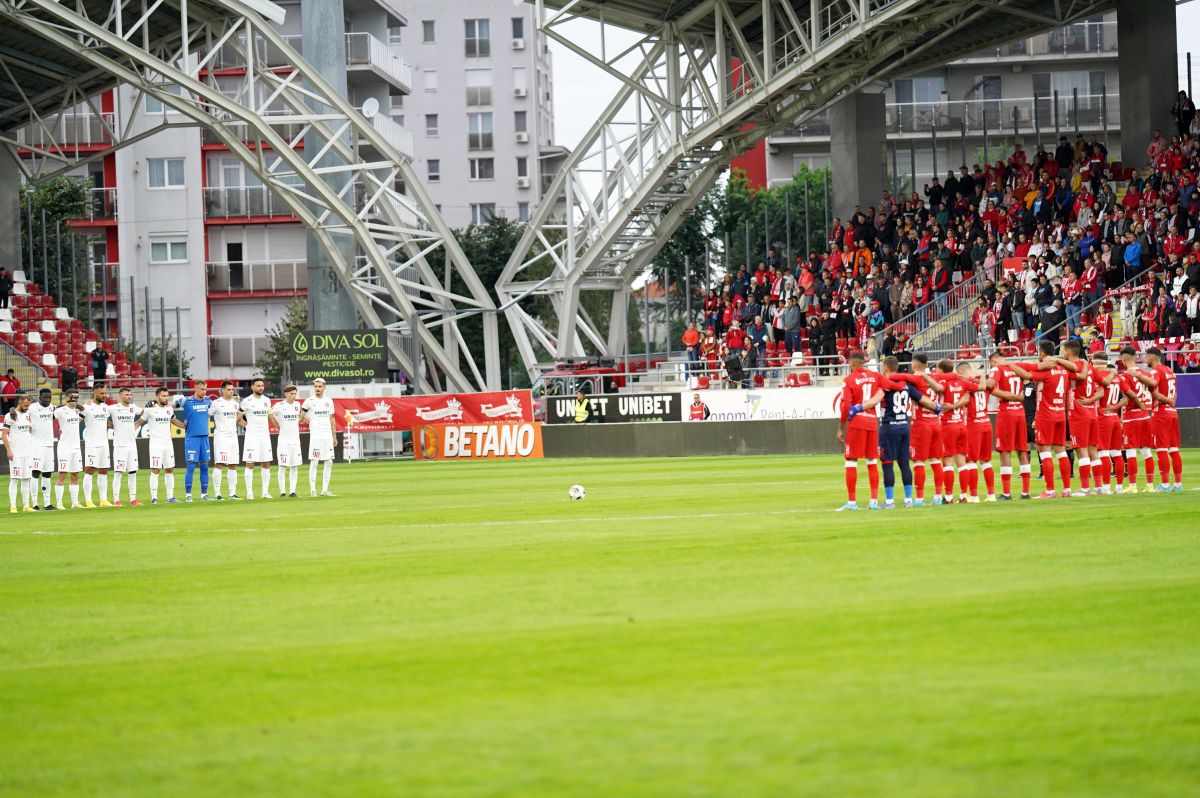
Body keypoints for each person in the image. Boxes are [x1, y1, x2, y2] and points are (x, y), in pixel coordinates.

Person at [1010, 341, 1079, 499]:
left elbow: (1027, 375)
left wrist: (1011, 365)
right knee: (1061, 451)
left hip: (1045, 415)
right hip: (1060, 413)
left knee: (1045, 451)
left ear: (1041, 353)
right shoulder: (1063, 369)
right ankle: (1067, 489)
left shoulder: (1046, 370)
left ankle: (1049, 490)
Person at [877, 355, 940, 509]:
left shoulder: (884, 383)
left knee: (887, 463)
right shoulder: (907, 385)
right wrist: (937, 408)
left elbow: (876, 398)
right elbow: (922, 399)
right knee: (904, 463)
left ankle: (890, 501)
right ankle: (908, 500)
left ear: (885, 368)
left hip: (889, 427)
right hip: (905, 426)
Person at [836, 351, 886, 512]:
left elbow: (845, 406)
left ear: (852, 364)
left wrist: (840, 428)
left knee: (851, 461)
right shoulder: (875, 376)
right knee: (871, 461)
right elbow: (886, 388)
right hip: (872, 422)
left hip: (857, 423)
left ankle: (852, 502)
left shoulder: (849, 379)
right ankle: (873, 502)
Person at [1131, 346, 1183, 491]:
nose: (1145, 360)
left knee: (1161, 449)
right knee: (1173, 449)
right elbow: (1175, 394)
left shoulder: (1156, 370)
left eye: (1146, 357)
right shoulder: (1169, 370)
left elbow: (1153, 385)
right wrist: (1171, 402)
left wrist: (1139, 375)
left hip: (1161, 413)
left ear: (1152, 358)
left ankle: (1165, 484)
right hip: (1172, 412)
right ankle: (1178, 484)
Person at [986, 352, 1032, 500]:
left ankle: (1006, 493)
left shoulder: (997, 369)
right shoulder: (1016, 367)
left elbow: (990, 385)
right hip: (1020, 412)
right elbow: (1028, 378)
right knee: (1022, 451)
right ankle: (1025, 492)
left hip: (1006, 413)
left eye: (992, 362)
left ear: (994, 360)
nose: (992, 366)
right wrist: (1017, 397)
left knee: (1005, 452)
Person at [1063, 339, 1104, 496]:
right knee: (1093, 450)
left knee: (1081, 451)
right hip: (1092, 413)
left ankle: (1085, 488)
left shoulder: (1074, 368)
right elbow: (1104, 384)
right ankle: (1099, 487)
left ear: (1067, 352)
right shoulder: (1091, 368)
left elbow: (1079, 376)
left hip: (1078, 413)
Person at [907, 353, 946, 506]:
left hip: (921, 424)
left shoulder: (915, 379)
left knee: (918, 461)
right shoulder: (936, 377)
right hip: (936, 423)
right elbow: (941, 388)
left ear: (914, 365)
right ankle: (937, 496)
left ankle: (919, 498)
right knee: (936, 460)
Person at [1117, 346, 1156, 493]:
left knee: (1131, 451)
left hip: (1131, 417)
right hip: (1145, 416)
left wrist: (1116, 406)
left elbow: (1129, 395)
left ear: (1124, 359)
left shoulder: (1124, 376)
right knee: (1146, 451)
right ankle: (1150, 485)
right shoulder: (1145, 374)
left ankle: (1132, 486)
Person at [135, 387, 181, 504]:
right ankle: (154, 498)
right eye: (163, 396)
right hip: (156, 444)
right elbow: (140, 422)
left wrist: (185, 426)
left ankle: (170, 497)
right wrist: (128, 430)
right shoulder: (150, 409)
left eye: (167, 396)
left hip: (168, 444)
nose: (166, 398)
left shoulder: (169, 409)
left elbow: (174, 420)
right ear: (157, 397)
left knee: (169, 469)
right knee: (155, 470)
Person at [1090, 352, 1126, 494]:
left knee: (1103, 453)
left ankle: (1105, 486)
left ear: (1095, 362)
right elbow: (1130, 396)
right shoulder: (1116, 377)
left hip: (1102, 418)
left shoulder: (1098, 377)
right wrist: (1116, 406)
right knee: (1117, 453)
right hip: (1114, 418)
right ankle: (1119, 486)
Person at [961, 362, 996, 502]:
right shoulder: (984, 382)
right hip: (986, 423)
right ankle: (991, 494)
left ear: (963, 372)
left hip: (973, 425)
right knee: (986, 461)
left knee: (971, 461)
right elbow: (989, 385)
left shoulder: (967, 385)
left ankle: (974, 496)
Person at [302, 377, 338, 497]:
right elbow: (300, 415)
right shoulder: (309, 401)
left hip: (327, 436)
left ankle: (324, 489)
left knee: (329, 461)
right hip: (316, 436)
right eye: (316, 386)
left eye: (319, 386)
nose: (317, 389)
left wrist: (334, 436)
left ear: (324, 388)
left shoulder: (329, 401)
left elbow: (332, 419)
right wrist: (308, 421)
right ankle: (313, 489)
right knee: (315, 462)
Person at [239, 378, 274, 499]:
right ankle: (249, 493)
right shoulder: (247, 401)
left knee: (266, 463)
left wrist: (279, 427)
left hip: (265, 436)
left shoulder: (267, 401)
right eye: (258, 386)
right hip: (252, 437)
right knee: (250, 464)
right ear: (253, 387)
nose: (260, 388)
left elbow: (270, 416)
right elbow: (238, 417)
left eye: (262, 386)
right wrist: (247, 426)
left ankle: (265, 492)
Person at [179, 380, 213, 502]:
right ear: (195, 388)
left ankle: (204, 495)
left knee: (205, 467)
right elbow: (168, 405)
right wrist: (154, 404)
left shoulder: (208, 401)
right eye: (201, 389)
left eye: (205, 389)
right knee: (191, 467)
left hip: (204, 438)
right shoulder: (186, 400)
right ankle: (188, 495)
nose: (203, 392)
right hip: (192, 438)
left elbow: (219, 408)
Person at [108, 387, 143, 506]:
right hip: (120, 446)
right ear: (121, 396)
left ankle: (133, 499)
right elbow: (101, 416)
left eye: (130, 394)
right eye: (127, 394)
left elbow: (144, 412)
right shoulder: (113, 408)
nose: (129, 396)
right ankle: (116, 500)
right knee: (118, 473)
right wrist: (111, 425)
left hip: (132, 445)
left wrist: (151, 406)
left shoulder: (133, 408)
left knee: (132, 472)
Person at [209, 381, 242, 500]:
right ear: (222, 390)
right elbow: (207, 415)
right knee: (219, 464)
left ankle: (232, 493)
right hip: (221, 437)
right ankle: (217, 493)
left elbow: (236, 419)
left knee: (233, 465)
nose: (231, 391)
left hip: (233, 436)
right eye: (228, 389)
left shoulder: (235, 404)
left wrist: (246, 423)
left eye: (232, 389)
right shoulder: (216, 403)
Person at [3, 393, 36, 512]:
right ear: (19, 402)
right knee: (14, 479)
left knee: (26, 479)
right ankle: (13, 506)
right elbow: (4, 434)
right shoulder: (10, 415)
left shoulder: (27, 415)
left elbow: (29, 429)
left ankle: (26, 506)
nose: (27, 407)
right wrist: (9, 451)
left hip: (27, 452)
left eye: (29, 405)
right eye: (26, 405)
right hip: (16, 452)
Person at [81, 385, 112, 508]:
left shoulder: (105, 407)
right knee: (90, 470)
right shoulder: (87, 407)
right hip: (92, 444)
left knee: (103, 470)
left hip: (104, 444)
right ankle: (88, 501)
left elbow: (106, 423)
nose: (104, 395)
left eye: (105, 393)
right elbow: (75, 420)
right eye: (101, 393)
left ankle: (103, 500)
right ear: (94, 393)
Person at [53, 391, 84, 509]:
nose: (75, 398)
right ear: (67, 397)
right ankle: (59, 503)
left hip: (76, 447)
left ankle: (75, 503)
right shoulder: (60, 411)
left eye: (76, 396)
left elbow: (84, 416)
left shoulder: (78, 411)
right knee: (62, 474)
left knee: (75, 475)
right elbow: (47, 416)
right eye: (72, 396)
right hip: (65, 447)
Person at [271, 385, 303, 498]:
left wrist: (302, 419)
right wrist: (278, 426)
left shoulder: (297, 405)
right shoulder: (279, 406)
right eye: (291, 393)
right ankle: (282, 492)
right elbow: (270, 415)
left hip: (295, 441)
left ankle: (292, 491)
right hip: (284, 441)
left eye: (295, 393)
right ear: (286, 394)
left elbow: (300, 416)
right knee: (283, 466)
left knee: (294, 466)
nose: (294, 396)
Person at [29, 388, 56, 510]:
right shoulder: (33, 407)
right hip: (37, 445)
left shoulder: (52, 407)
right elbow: (20, 409)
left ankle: (47, 503)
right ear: (40, 397)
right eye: (45, 397)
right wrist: (12, 409)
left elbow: (64, 409)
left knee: (47, 474)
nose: (47, 399)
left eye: (49, 397)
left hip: (49, 446)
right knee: (35, 473)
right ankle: (34, 504)